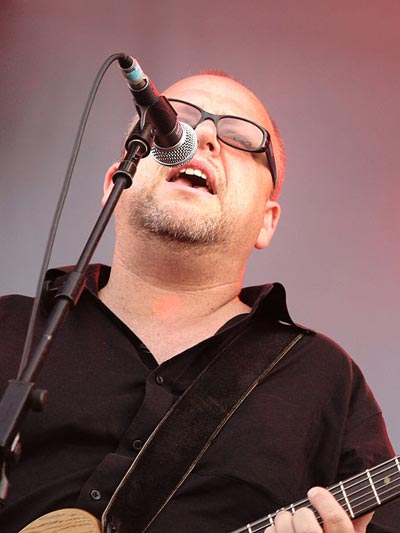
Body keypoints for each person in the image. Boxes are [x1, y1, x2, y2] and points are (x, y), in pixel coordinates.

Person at [0, 72, 397, 533]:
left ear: (267, 221)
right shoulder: (9, 328)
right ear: (113, 184)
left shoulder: (326, 379)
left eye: (241, 137)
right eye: (172, 120)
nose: (202, 136)